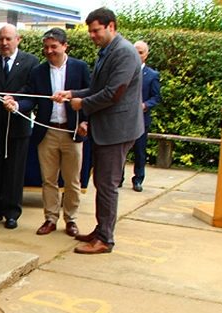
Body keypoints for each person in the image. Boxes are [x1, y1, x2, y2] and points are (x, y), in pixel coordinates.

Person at [53, 7, 143, 254]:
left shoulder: (124, 53)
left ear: (111, 26)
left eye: (96, 31)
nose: (92, 35)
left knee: (107, 184)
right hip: (107, 128)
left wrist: (82, 104)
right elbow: (96, 87)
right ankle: (100, 229)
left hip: (118, 130)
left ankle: (105, 239)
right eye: (90, 31)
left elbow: (113, 93)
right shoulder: (108, 51)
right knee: (101, 182)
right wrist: (71, 94)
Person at [14, 28, 90, 237]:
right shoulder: (38, 71)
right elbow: (31, 98)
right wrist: (18, 106)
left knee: (72, 180)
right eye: (46, 47)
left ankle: (71, 220)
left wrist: (85, 121)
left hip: (72, 132)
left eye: (54, 47)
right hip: (46, 132)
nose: (49, 51)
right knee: (48, 180)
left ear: (65, 46)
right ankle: (50, 218)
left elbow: (91, 95)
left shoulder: (80, 67)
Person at [0, 24, 39, 229]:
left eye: (8, 39)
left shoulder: (31, 62)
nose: (4, 43)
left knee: (14, 171)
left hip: (17, 126)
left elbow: (31, 90)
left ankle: (12, 213)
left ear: (18, 40)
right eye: (1, 39)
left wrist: (17, 102)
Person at [128, 40, 161, 192]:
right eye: (135, 51)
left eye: (141, 52)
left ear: (146, 55)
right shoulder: (124, 71)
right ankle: (118, 179)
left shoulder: (152, 75)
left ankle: (138, 179)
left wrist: (145, 105)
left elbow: (156, 97)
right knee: (120, 151)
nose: (137, 55)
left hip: (141, 119)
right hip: (123, 118)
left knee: (140, 151)